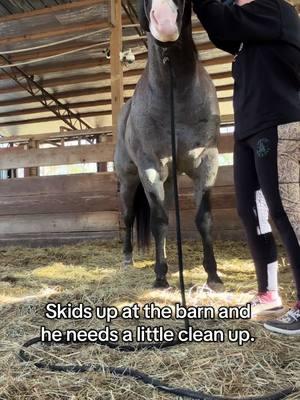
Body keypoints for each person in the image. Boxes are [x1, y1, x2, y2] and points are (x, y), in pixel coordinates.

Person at [192, 0, 300, 334]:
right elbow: (222, 28)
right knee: (250, 211)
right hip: (249, 131)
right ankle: (268, 294)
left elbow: (222, 17)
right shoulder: (246, 35)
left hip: (280, 122)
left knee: (286, 212)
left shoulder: (277, 11)